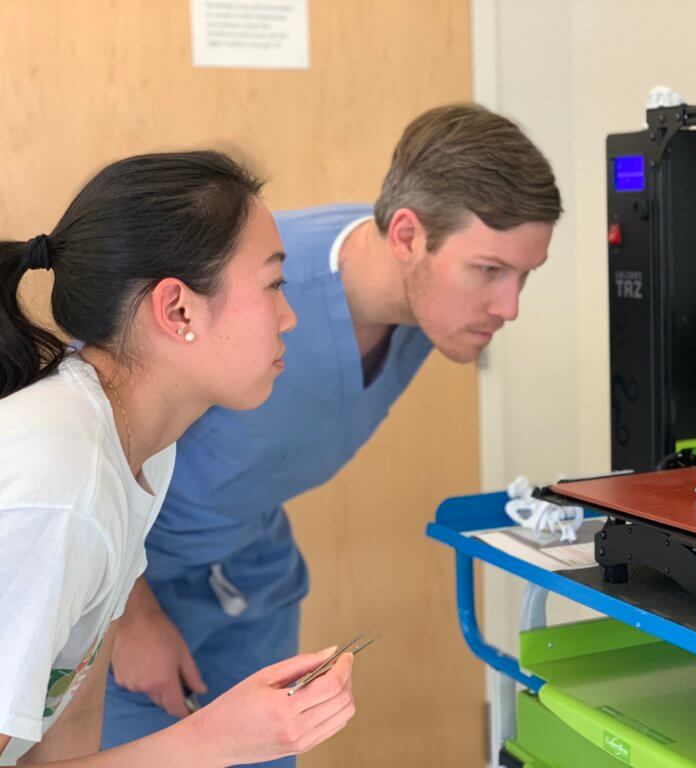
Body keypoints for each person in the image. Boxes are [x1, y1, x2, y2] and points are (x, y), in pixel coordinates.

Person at [103, 104, 562, 766]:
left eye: (525, 276)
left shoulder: (433, 309)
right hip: (128, 590)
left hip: (250, 582)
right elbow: (94, 432)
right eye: (489, 270)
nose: (509, 307)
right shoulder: (243, 280)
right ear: (406, 235)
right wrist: (131, 618)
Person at [0, 152, 356, 766]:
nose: (291, 315)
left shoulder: (140, 449)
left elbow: (64, 736)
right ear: (178, 310)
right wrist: (217, 739)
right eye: (273, 285)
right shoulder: (63, 489)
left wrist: (222, 742)